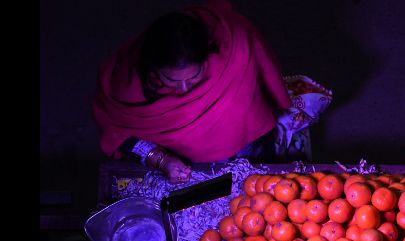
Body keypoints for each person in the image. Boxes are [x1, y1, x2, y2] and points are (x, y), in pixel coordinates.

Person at [92, 0, 291, 184]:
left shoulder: (234, 46)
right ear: (152, 68)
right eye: (170, 80)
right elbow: (119, 133)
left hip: (246, 148)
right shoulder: (127, 83)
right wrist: (162, 160)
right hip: (181, 168)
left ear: (207, 56)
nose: (185, 89)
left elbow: (265, 77)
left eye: (195, 76)